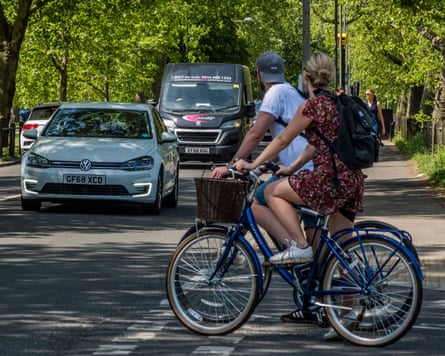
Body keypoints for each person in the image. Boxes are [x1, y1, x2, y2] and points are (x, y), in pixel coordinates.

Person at [235, 52, 365, 339]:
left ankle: (300, 246)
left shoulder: (313, 105)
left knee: (270, 192)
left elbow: (283, 138)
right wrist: (290, 168)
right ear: (329, 76)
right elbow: (316, 145)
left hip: (329, 181)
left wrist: (253, 164)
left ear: (304, 77)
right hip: (351, 181)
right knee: (344, 251)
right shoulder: (337, 103)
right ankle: (346, 319)